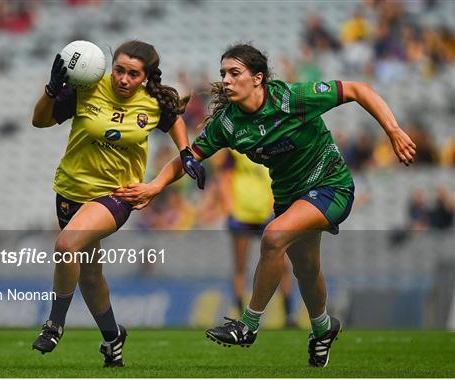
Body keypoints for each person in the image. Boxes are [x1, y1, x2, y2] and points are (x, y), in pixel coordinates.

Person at [113, 44, 416, 368]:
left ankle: (248, 324)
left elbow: (358, 89)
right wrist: (155, 185)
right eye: (223, 74)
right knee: (306, 269)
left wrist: (393, 130)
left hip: (330, 185)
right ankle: (323, 328)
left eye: (234, 73)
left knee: (273, 236)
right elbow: (190, 157)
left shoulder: (291, 99)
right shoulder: (228, 124)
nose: (226, 80)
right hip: (289, 197)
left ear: (258, 78)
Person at [30, 40, 205, 367]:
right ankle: (113, 339)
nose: (124, 79)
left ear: (146, 77)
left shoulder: (154, 102)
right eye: (119, 70)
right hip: (70, 192)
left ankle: (54, 324)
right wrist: (51, 91)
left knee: (67, 246)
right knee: (91, 276)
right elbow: (39, 121)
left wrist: (184, 153)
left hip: (116, 195)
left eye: (133, 74)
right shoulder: (85, 89)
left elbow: (176, 122)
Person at [218, 149, 293, 324]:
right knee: (240, 266)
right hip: (241, 214)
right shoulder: (235, 150)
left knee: (283, 264)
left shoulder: (274, 143)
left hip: (267, 213)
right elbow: (224, 178)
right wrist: (229, 208)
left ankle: (288, 315)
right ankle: (240, 316)